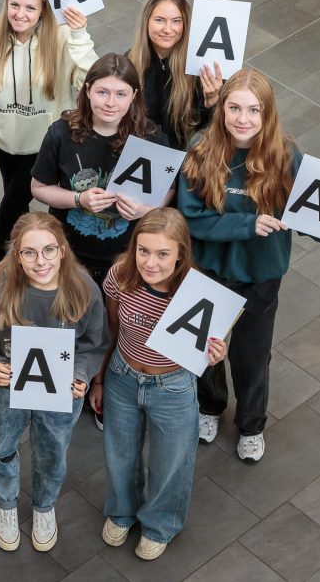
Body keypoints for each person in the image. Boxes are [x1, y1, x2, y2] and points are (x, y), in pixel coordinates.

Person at [178, 68, 320, 462]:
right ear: (221, 108)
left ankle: (251, 424)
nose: (243, 119)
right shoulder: (200, 149)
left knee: (252, 355)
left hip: (261, 276)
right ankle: (209, 406)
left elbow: (311, 216)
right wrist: (249, 223)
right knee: (204, 349)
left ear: (267, 113)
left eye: (253, 110)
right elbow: (190, 219)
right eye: (235, 108)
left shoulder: (285, 154)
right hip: (208, 271)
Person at [0, 212, 109, 553]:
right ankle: (6, 505)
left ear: (62, 250)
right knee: (2, 446)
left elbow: (94, 343)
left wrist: (82, 373)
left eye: (48, 251)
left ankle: (44, 506)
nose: (40, 261)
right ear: (16, 253)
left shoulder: (83, 289)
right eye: (29, 253)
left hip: (60, 391)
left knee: (52, 450)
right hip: (3, 388)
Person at [91, 208, 225, 561]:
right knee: (119, 454)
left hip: (173, 385)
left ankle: (159, 525)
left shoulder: (198, 293)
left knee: (171, 462)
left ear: (181, 253)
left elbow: (210, 344)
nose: (151, 263)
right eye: (144, 251)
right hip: (122, 375)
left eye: (163, 254)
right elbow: (111, 330)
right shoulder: (119, 275)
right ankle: (121, 511)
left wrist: (215, 354)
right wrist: (100, 379)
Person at [0, 0, 97, 259]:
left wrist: (80, 35)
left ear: (43, 11)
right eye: (14, 5)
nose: (20, 15)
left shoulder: (62, 38)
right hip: (2, 140)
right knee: (19, 206)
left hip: (43, 144)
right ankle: (20, 257)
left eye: (30, 8)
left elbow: (90, 82)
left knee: (11, 206)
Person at [31, 54, 171, 291]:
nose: (111, 103)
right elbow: (38, 187)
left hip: (125, 257)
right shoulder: (61, 133)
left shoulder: (151, 138)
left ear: (134, 96)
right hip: (69, 253)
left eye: (121, 94)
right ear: (87, 91)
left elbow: (169, 191)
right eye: (102, 92)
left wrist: (144, 210)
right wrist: (78, 199)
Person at [126, 0, 222, 151]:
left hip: (187, 158)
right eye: (159, 20)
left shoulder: (200, 66)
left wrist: (212, 102)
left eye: (176, 21)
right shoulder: (130, 62)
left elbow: (211, 133)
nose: (168, 29)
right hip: (141, 157)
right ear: (146, 21)